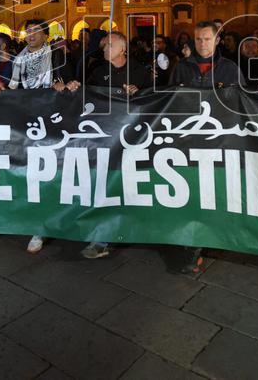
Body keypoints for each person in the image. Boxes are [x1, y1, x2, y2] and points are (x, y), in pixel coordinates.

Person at [169, 21, 245, 276]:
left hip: (220, 142)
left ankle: (217, 235)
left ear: (217, 40)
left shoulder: (229, 69)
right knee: (194, 192)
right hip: (189, 142)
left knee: (217, 191)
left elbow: (244, 102)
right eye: (198, 39)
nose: (202, 44)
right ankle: (194, 248)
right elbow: (169, 98)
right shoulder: (182, 68)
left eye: (206, 39)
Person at [66, 32, 151, 260]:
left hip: (133, 140)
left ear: (123, 50)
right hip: (104, 138)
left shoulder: (140, 72)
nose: (104, 49)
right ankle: (102, 238)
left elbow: (156, 101)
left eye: (109, 45)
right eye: (103, 45)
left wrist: (140, 94)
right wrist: (76, 88)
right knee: (105, 184)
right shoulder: (98, 72)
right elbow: (88, 97)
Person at [8, 19, 72, 254]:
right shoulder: (19, 59)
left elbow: (71, 84)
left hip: (53, 121)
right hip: (27, 121)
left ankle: (48, 223)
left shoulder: (57, 57)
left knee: (51, 171)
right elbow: (12, 88)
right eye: (28, 31)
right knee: (30, 171)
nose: (31, 35)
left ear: (46, 35)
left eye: (36, 31)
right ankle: (37, 223)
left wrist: (64, 87)